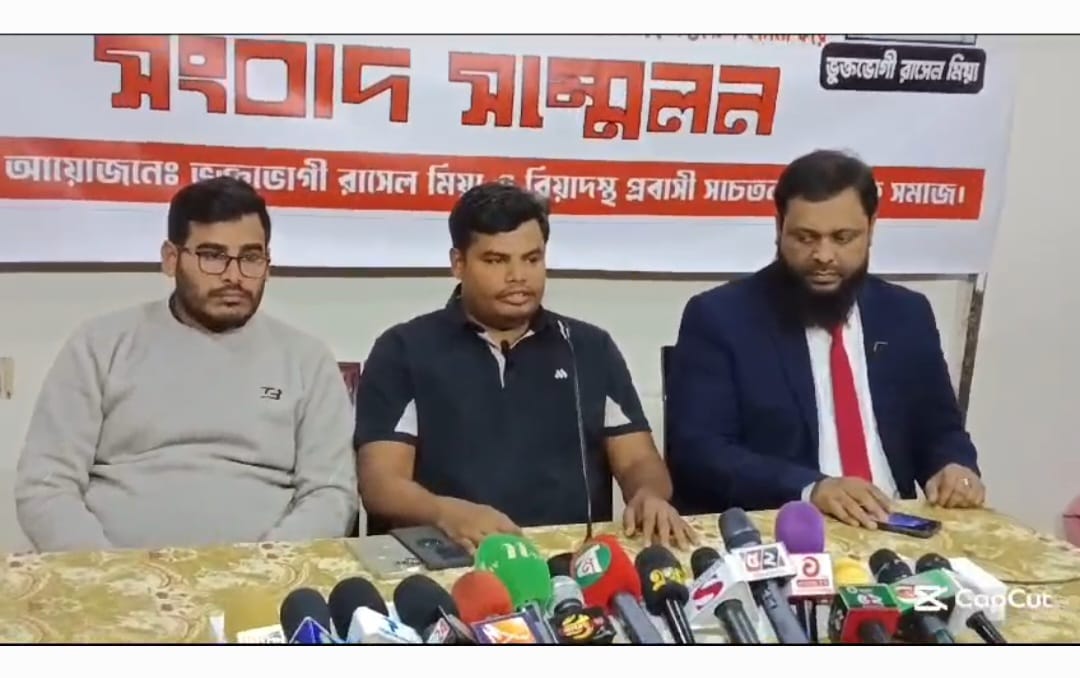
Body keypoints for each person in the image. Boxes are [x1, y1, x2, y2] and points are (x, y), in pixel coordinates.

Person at [15, 177, 358, 552]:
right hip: (113, 573)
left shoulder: (306, 359)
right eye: (212, 255)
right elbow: (46, 485)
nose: (233, 276)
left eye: (250, 257)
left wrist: (266, 567)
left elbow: (330, 494)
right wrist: (107, 570)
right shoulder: (100, 344)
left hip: (265, 573)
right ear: (171, 258)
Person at [354, 181, 696, 550]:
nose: (518, 276)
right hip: (454, 553)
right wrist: (444, 513)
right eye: (496, 260)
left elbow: (637, 460)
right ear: (458, 263)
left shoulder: (588, 347)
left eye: (532, 259)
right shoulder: (403, 350)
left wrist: (648, 495)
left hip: (569, 558)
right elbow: (381, 484)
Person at [667, 150, 985, 528]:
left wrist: (954, 466)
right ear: (779, 227)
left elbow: (940, 429)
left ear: (871, 228)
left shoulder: (907, 314)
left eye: (842, 238)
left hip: (898, 525)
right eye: (805, 238)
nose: (823, 255)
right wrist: (810, 488)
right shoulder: (721, 317)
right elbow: (699, 452)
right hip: (791, 529)